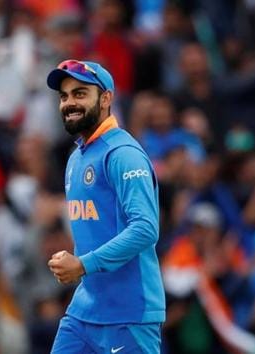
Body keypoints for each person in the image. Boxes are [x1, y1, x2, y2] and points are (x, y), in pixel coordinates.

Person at [45, 60, 165, 353]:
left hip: (128, 315)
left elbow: (146, 229)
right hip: (84, 312)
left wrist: (83, 265)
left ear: (106, 98)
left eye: (80, 94)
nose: (69, 103)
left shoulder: (123, 154)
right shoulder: (76, 158)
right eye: (64, 96)